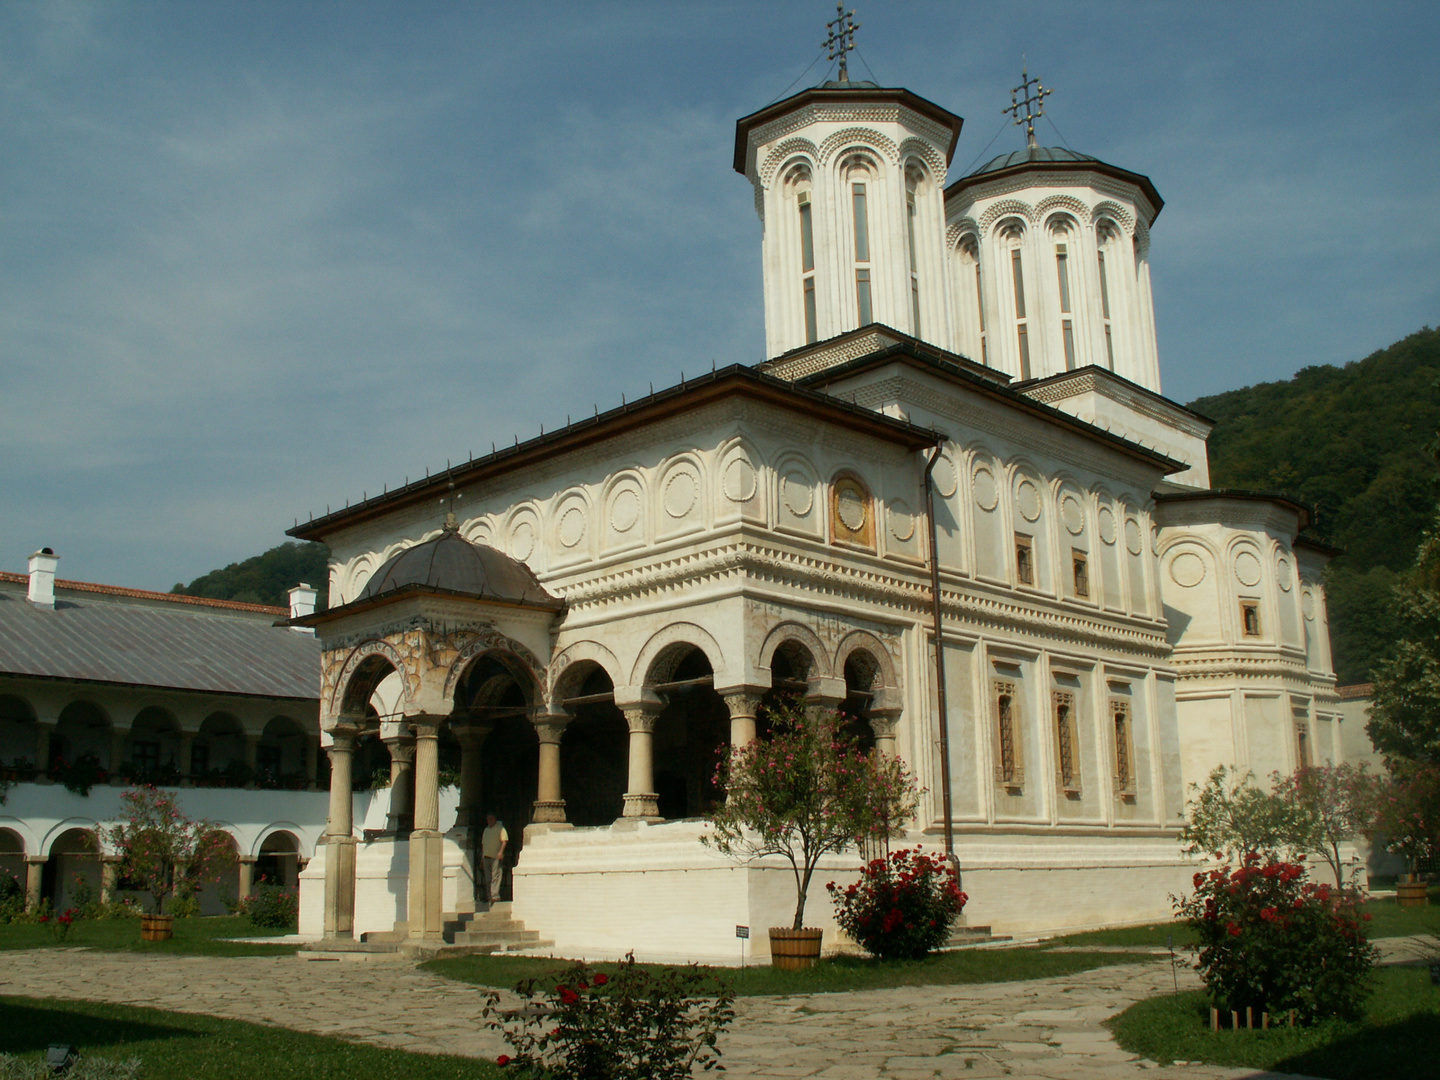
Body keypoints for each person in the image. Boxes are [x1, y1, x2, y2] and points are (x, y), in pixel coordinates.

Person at [480, 811, 508, 905]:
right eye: (488, 819)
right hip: (486, 856)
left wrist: (501, 852)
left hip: (495, 856)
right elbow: (483, 845)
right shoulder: (486, 830)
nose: (490, 820)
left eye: (491, 818)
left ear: (495, 819)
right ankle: (489, 896)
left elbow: (504, 841)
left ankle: (495, 895)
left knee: (495, 876)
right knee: (488, 878)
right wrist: (481, 858)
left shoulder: (500, 829)